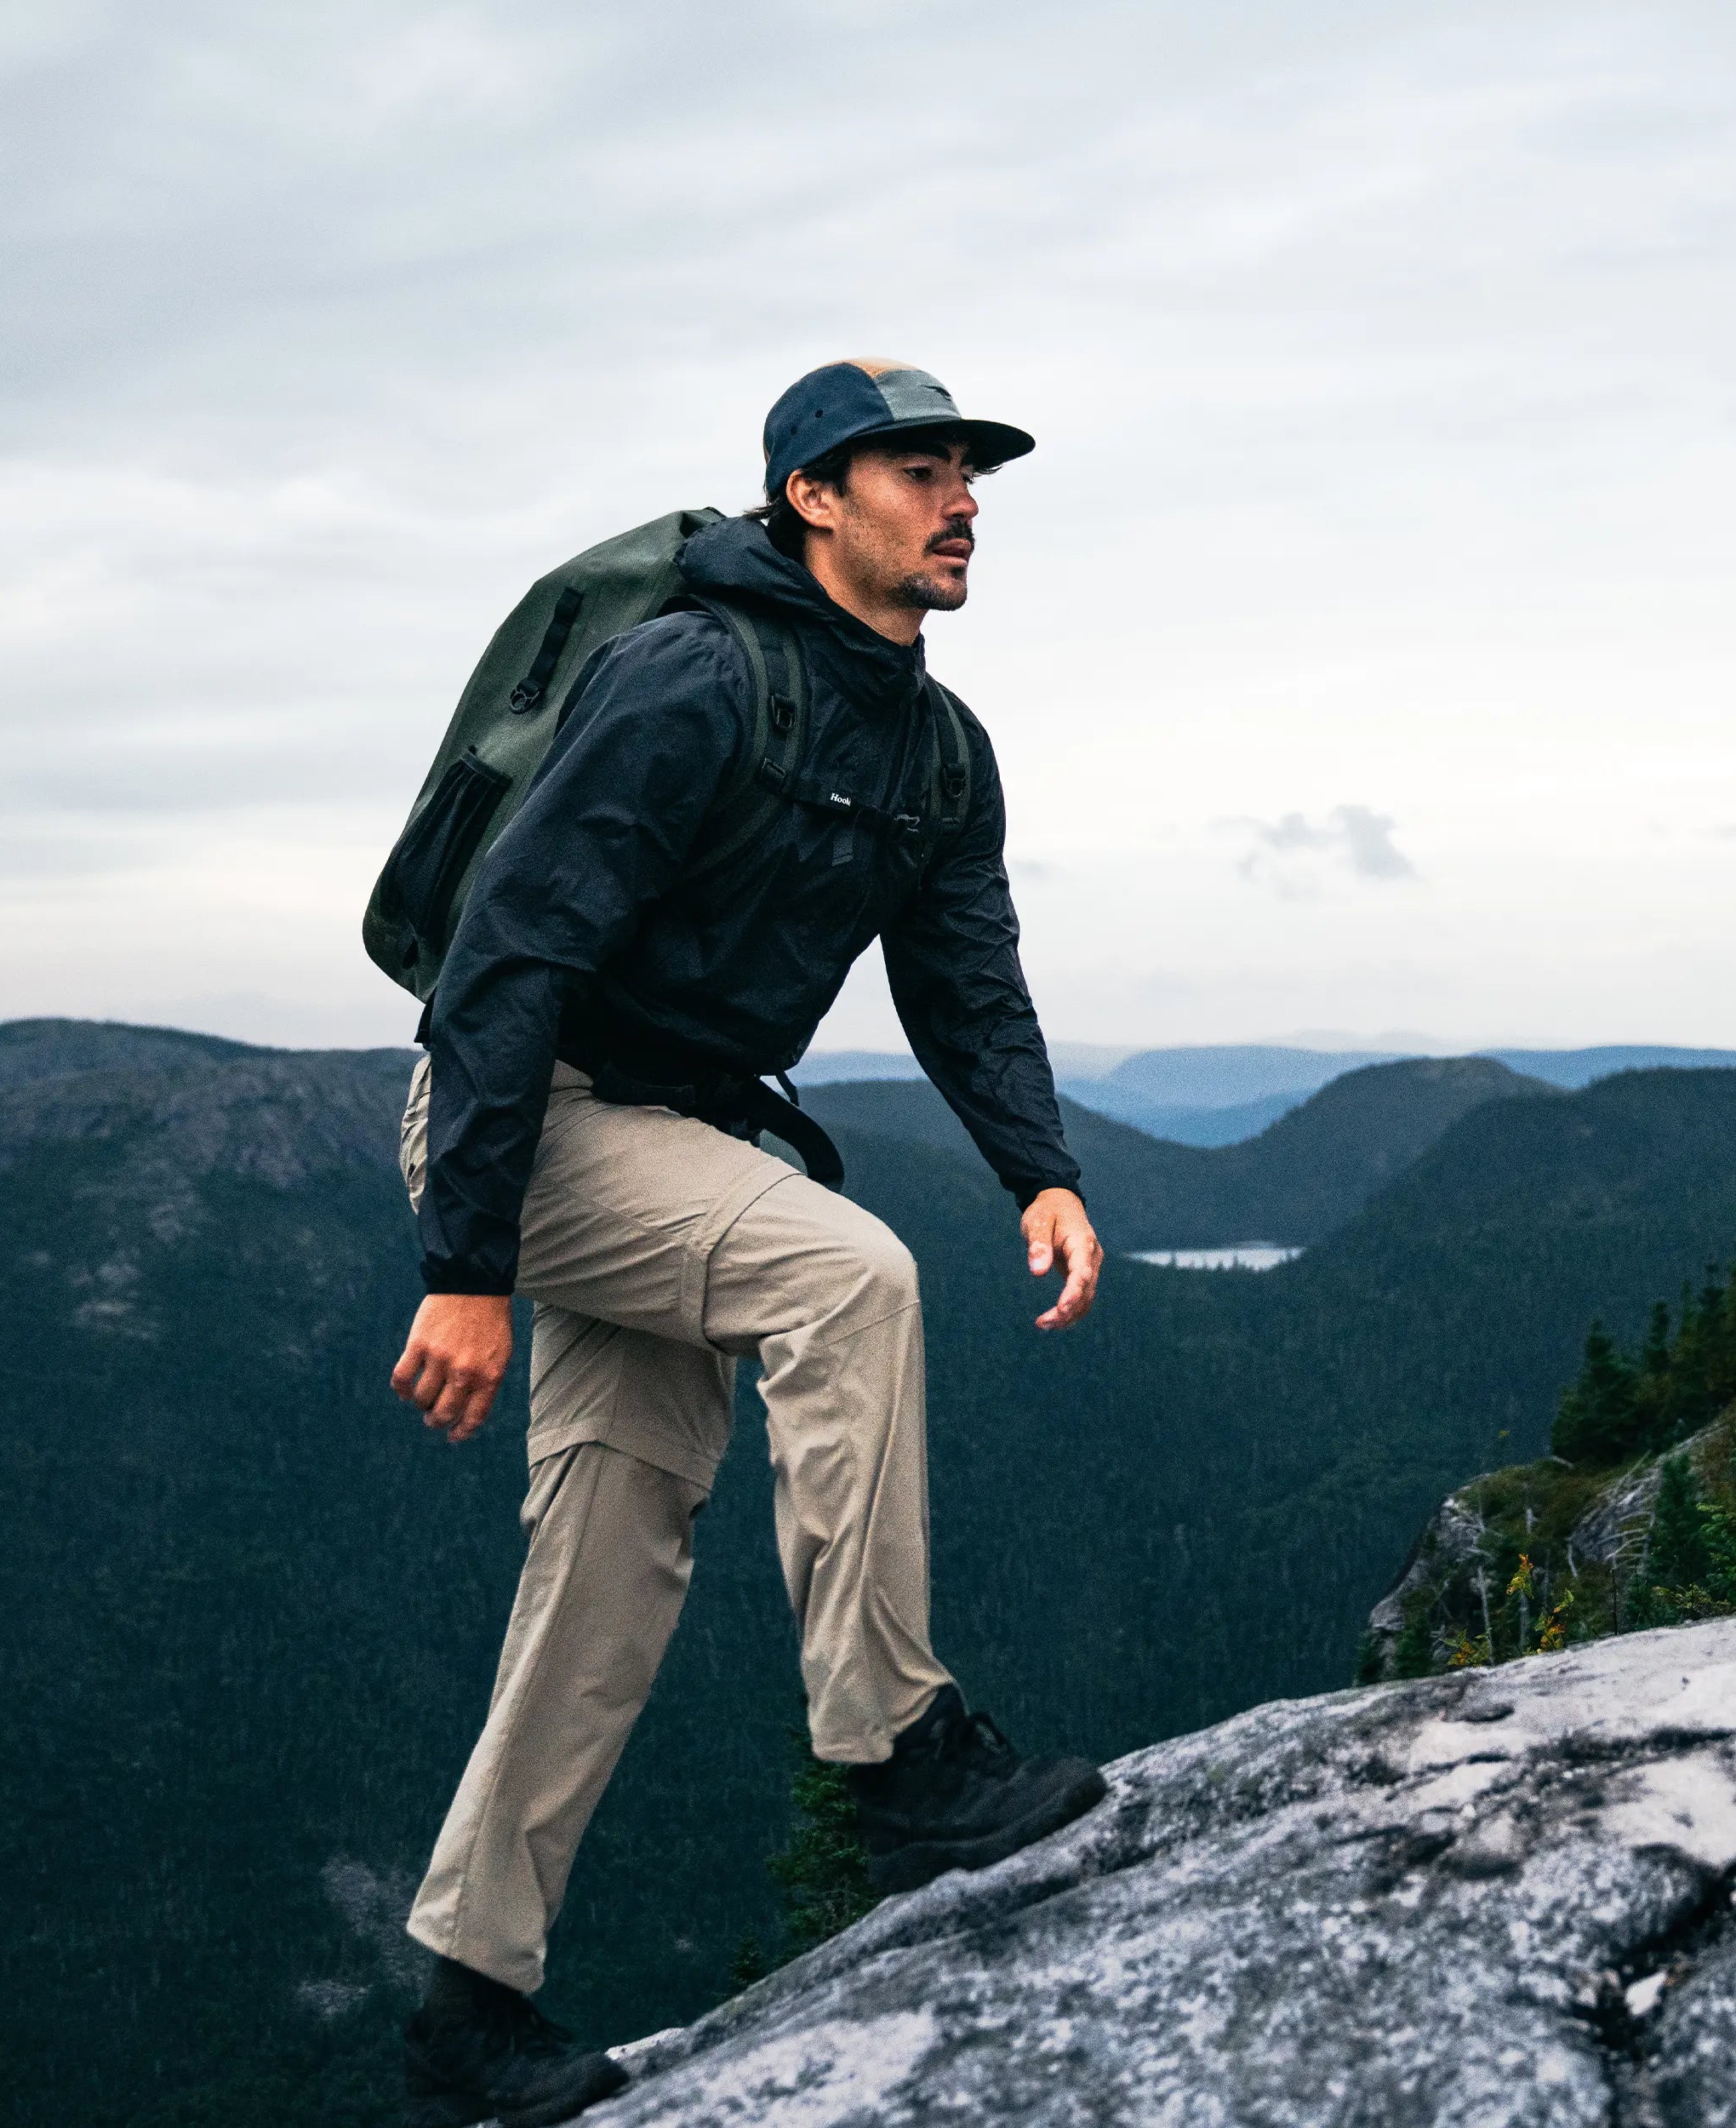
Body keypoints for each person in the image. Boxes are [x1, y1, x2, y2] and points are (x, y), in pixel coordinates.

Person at [391, 358, 1106, 2125]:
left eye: (969, 475)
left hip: (672, 1145)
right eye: (918, 470)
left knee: (605, 1559)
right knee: (849, 1273)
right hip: (530, 1120)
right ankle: (896, 1751)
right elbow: (506, 956)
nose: (960, 502)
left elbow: (964, 976)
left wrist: (1039, 1167)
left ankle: (467, 2000)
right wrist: (467, 1264)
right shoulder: (695, 675)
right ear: (811, 497)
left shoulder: (937, 745)